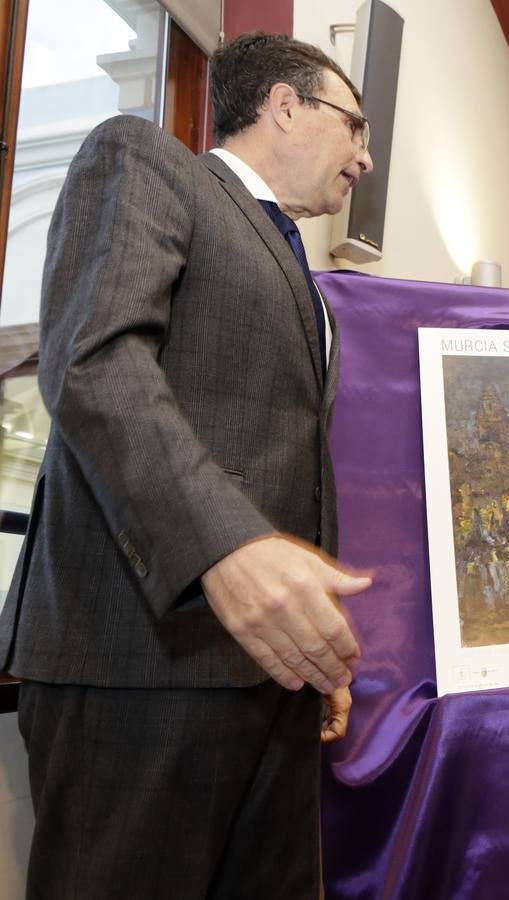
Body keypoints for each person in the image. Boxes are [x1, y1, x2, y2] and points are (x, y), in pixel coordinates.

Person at [0, 33, 376, 898]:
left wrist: (314, 655)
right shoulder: (145, 160)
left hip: (266, 676)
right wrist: (225, 549)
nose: (363, 158)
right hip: (139, 662)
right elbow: (94, 364)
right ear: (286, 104)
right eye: (354, 127)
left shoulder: (302, 275)